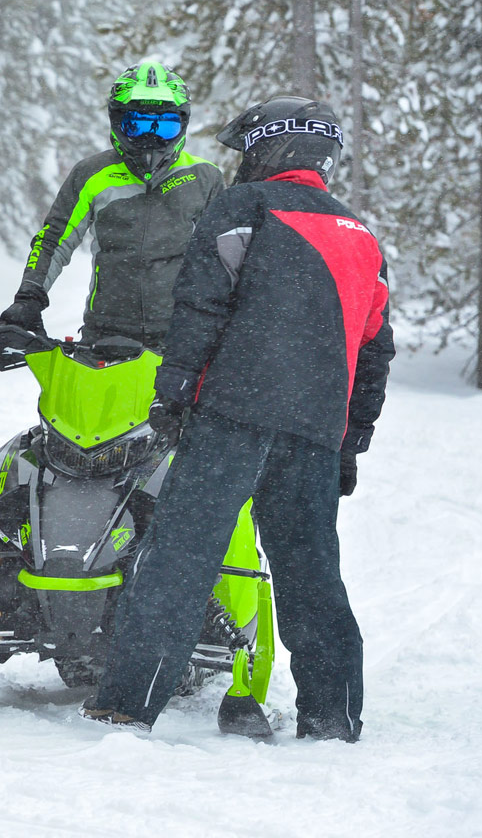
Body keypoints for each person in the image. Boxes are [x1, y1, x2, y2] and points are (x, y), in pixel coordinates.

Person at [81, 96, 393, 742]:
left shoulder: (243, 208)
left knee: (179, 559)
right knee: (311, 572)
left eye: (249, 150)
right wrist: (352, 441)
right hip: (313, 431)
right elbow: (373, 348)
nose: (244, 162)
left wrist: (171, 397)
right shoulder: (362, 235)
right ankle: (332, 715)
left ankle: (127, 704)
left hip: (232, 414)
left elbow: (199, 307)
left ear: (274, 149)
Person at [0, 60, 224, 351]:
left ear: (182, 123)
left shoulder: (204, 176)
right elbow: (55, 240)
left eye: (164, 125)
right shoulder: (92, 173)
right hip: (107, 332)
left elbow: (223, 256)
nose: (150, 136)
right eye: (137, 124)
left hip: (181, 334)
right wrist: (29, 297)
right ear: (118, 121)